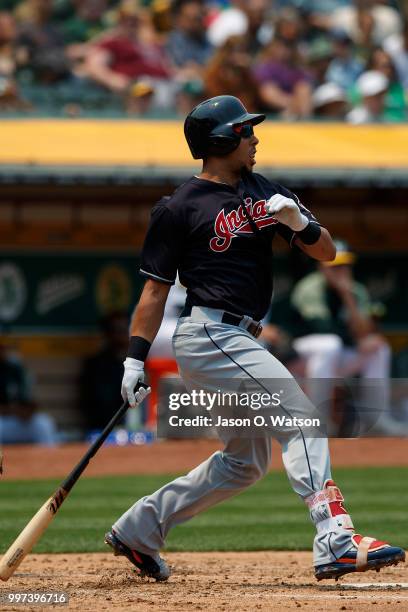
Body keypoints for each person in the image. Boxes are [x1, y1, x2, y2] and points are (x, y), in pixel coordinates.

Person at [105, 95, 405, 582]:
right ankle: (335, 535)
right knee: (301, 417)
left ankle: (140, 527)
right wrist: (135, 361)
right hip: (209, 333)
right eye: (245, 131)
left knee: (245, 463)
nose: (254, 137)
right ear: (222, 140)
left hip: (238, 336)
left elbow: (326, 252)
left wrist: (298, 222)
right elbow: (154, 289)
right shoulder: (178, 207)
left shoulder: (263, 189)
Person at [290, 239, 405, 436]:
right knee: (329, 344)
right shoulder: (310, 288)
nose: (340, 270)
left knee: (378, 349)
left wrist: (347, 297)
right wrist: (357, 341)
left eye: (344, 265)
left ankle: (377, 419)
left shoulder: (355, 290)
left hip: (332, 357)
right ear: (321, 267)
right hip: (301, 356)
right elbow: (323, 327)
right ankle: (319, 420)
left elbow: (364, 332)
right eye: (334, 266)